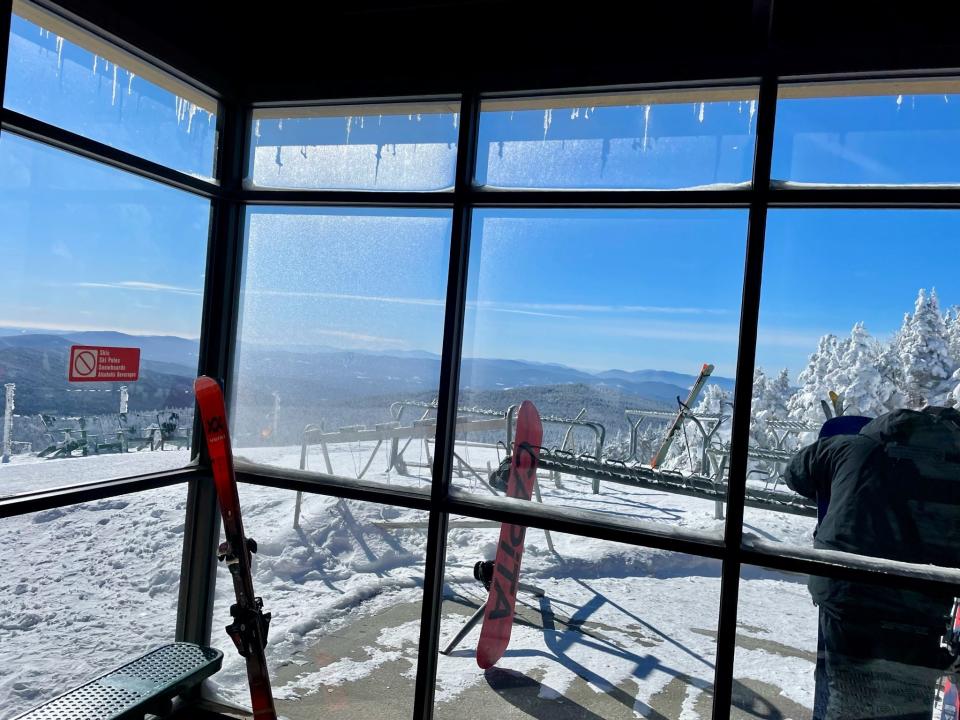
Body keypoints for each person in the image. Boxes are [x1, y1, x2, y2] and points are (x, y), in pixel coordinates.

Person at [785, 406, 960, 720]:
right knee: (910, 695)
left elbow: (795, 472)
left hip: (848, 591)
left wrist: (838, 484)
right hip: (926, 604)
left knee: (845, 694)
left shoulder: (855, 446)